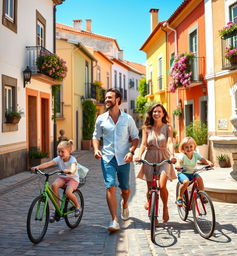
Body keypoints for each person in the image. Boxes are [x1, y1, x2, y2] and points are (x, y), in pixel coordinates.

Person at [92, 88, 139, 232]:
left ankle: (124, 204)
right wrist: (96, 149)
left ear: (117, 99)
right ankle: (114, 220)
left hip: (124, 158)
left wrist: (131, 152)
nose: (107, 100)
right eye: (106, 98)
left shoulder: (128, 119)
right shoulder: (101, 119)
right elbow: (95, 136)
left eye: (110, 97)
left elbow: (136, 138)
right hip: (107, 158)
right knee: (110, 186)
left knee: (125, 189)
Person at [135, 103, 176, 223]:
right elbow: (143, 144)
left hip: (164, 157)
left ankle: (165, 208)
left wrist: (172, 154)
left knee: (162, 186)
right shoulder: (146, 128)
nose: (156, 113)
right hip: (150, 157)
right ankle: (153, 215)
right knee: (150, 187)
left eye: (159, 111)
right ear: (151, 114)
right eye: (154, 111)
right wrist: (139, 155)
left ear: (163, 114)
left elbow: (170, 142)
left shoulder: (168, 128)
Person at [31, 140, 81, 222]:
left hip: (72, 179)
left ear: (69, 151)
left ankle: (78, 206)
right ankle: (57, 207)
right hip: (62, 177)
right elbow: (48, 163)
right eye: (59, 151)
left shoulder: (73, 159)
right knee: (53, 186)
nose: (60, 154)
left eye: (62, 152)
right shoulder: (58, 158)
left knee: (68, 193)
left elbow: (73, 168)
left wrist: (70, 171)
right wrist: (37, 167)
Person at [175, 136, 214, 206]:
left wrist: (209, 163)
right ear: (183, 148)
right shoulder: (182, 156)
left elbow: (203, 160)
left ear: (194, 147)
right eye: (186, 147)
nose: (189, 149)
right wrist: (178, 165)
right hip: (183, 173)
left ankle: (202, 196)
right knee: (186, 182)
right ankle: (179, 197)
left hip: (192, 173)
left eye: (191, 146)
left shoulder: (195, 154)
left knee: (199, 179)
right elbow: (179, 161)